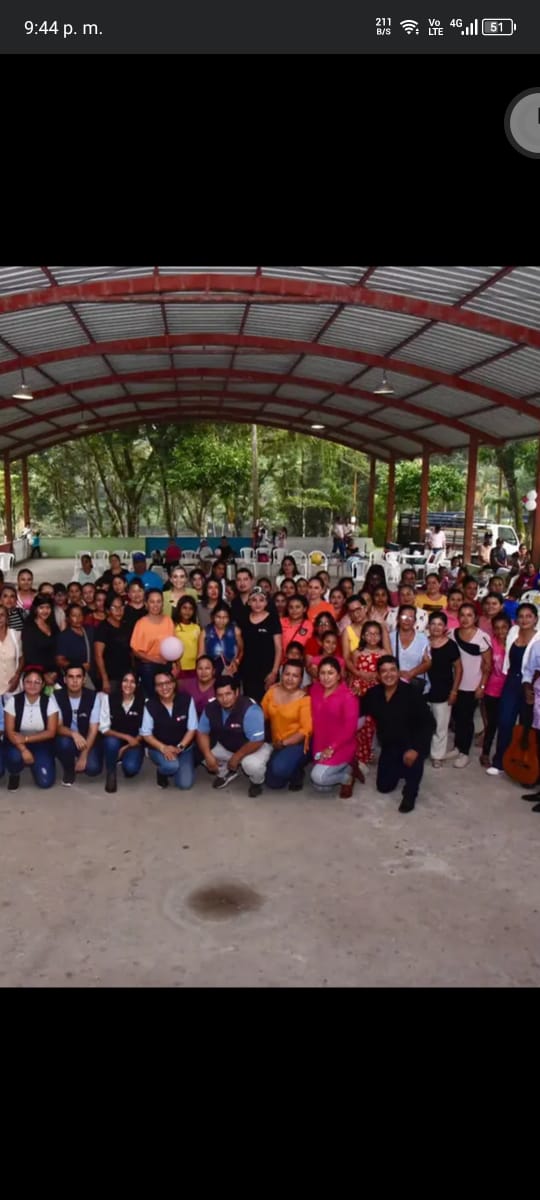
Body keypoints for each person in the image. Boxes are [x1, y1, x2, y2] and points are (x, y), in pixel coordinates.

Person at [362, 656, 435, 813]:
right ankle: (401, 767)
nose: (388, 674)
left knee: (414, 761)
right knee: (383, 787)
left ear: (398, 672)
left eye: (392, 670)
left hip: (412, 743)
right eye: (384, 671)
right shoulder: (373, 694)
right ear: (378, 675)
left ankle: (410, 793)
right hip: (390, 745)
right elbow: (357, 709)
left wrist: (416, 749)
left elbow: (428, 723)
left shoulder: (412, 693)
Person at [486, 602, 540, 776]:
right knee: (505, 721)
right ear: (516, 619)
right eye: (521, 616)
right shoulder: (513, 632)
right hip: (511, 681)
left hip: (530, 685)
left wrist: (531, 687)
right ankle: (500, 762)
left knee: (526, 726)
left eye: (529, 616)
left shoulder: (539, 638)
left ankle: (524, 763)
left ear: (536, 619)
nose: (524, 620)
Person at [197, 674, 272, 797]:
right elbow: (202, 732)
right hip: (230, 745)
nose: (224, 699)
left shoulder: (250, 709)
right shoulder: (211, 707)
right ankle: (226, 772)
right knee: (199, 749)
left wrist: (237, 757)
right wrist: (207, 754)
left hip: (256, 746)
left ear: (236, 692)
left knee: (251, 765)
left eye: (228, 694)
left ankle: (257, 782)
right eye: (220, 695)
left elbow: (257, 741)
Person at [447, 604, 492, 769]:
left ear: (475, 618)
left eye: (469, 615)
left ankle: (464, 753)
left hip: (472, 685)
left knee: (466, 719)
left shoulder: (482, 637)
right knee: (457, 718)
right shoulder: (452, 634)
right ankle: (457, 747)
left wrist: (482, 686)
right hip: (455, 684)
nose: (465, 619)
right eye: (462, 615)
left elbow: (487, 665)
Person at [310, 656, 360, 798]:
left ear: (338, 676)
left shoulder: (348, 696)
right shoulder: (315, 689)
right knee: (320, 787)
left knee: (319, 777)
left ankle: (347, 777)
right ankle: (347, 769)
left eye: (330, 673)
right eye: (322, 673)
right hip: (320, 744)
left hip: (340, 746)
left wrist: (332, 747)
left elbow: (350, 729)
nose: (326, 677)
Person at [141, 669, 197, 790]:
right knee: (171, 766)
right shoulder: (150, 705)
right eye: (159, 684)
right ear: (155, 688)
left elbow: (192, 728)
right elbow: (146, 734)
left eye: (167, 683)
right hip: (159, 748)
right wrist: (164, 748)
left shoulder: (187, 700)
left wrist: (180, 747)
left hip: (184, 748)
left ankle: (179, 766)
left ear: (174, 684)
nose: (164, 687)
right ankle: (162, 772)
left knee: (185, 784)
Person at [4, 669, 59, 790]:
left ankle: (41, 762)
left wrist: (26, 739)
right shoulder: (13, 701)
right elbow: (9, 731)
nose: (32, 685)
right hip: (16, 742)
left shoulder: (49, 701)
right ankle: (14, 773)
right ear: (23, 683)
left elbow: (51, 732)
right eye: (28, 682)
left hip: (41, 742)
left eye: (37, 682)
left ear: (43, 684)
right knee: (15, 757)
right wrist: (23, 749)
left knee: (45, 782)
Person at [261, 661, 312, 791]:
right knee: (273, 783)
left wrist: (283, 743)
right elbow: (261, 715)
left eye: (295, 676)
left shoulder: (305, 699)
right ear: (281, 675)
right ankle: (287, 766)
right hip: (276, 743)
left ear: (301, 679)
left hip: (297, 744)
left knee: (279, 769)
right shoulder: (272, 692)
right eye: (287, 674)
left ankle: (297, 773)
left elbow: (305, 731)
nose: (290, 679)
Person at [55, 665, 103, 785]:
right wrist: (73, 734)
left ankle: (80, 755)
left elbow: (93, 729)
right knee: (63, 743)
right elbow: (57, 727)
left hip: (87, 739)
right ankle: (69, 769)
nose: (75, 681)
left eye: (78, 677)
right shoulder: (55, 696)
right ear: (65, 680)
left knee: (93, 769)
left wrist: (84, 755)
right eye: (71, 677)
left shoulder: (93, 697)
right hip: (68, 738)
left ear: (84, 679)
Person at [98, 671, 145, 792]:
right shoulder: (108, 699)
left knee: (130, 769)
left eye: (132, 682)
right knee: (111, 742)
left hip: (134, 742)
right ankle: (111, 773)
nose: (128, 685)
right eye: (125, 681)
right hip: (114, 739)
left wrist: (124, 748)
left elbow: (145, 731)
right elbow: (104, 728)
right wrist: (126, 737)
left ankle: (123, 756)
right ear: (120, 683)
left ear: (137, 685)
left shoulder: (143, 702)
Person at [426, 611, 462, 767]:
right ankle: (421, 751)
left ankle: (437, 756)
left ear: (445, 627)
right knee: (422, 724)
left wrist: (454, 691)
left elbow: (459, 669)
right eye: (433, 624)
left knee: (440, 726)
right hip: (423, 690)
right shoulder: (422, 642)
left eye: (440, 624)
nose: (436, 627)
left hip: (443, 690)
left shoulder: (451, 645)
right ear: (428, 626)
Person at [350, 621, 386, 768]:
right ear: (363, 636)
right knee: (363, 725)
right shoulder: (357, 653)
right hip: (362, 692)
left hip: (378, 691)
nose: (373, 637)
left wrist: (376, 676)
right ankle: (362, 754)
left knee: (376, 724)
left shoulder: (383, 653)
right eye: (369, 634)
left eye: (376, 634)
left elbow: (387, 674)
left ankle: (373, 752)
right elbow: (354, 674)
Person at [130, 588, 176, 697]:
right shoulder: (141, 623)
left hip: (166, 664)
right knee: (152, 698)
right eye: (152, 602)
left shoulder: (168, 621)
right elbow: (135, 650)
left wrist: (176, 664)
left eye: (158, 601)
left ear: (162, 603)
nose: (155, 605)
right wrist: (155, 660)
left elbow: (174, 645)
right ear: (146, 604)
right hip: (148, 666)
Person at [240, 586, 282, 703]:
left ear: (266, 602)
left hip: (268, 671)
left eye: (261, 600)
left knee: (269, 705)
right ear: (249, 602)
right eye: (254, 600)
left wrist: (274, 672)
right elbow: (240, 646)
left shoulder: (273, 619)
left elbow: (278, 648)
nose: (257, 603)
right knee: (251, 704)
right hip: (249, 671)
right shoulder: (244, 620)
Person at [480, 613, 511, 768]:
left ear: (509, 628)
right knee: (492, 723)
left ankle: (504, 754)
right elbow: (485, 667)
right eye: (497, 628)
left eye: (504, 627)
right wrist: (482, 686)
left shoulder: (514, 644)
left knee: (506, 724)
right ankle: (485, 753)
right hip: (492, 689)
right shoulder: (490, 644)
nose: (500, 631)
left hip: (510, 690)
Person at [94, 594, 134, 694]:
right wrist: (105, 679)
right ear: (107, 610)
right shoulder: (103, 628)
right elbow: (98, 655)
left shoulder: (126, 625)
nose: (118, 611)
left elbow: (130, 651)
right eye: (114, 608)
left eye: (121, 607)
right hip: (110, 677)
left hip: (126, 674)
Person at [390, 606, 431, 692]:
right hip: (393, 686)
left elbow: (427, 662)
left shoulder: (422, 638)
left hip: (416, 686)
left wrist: (410, 673)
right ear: (398, 618)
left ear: (415, 620)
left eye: (411, 617)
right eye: (404, 616)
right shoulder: (390, 637)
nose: (407, 620)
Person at [198, 601, 242, 678]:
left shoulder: (235, 631)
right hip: (211, 672)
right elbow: (200, 654)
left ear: (229, 618)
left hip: (231, 670)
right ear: (213, 616)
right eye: (218, 617)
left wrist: (236, 662)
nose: (221, 620)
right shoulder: (205, 632)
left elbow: (241, 650)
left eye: (225, 617)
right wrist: (203, 671)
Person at [21, 595, 58, 687]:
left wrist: (55, 672)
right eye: (41, 607)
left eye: (48, 607)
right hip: (35, 675)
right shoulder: (29, 627)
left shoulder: (53, 625)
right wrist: (44, 675)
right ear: (35, 609)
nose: (45, 611)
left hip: (54, 673)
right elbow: (29, 655)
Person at [55, 603, 94, 679]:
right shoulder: (64, 636)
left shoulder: (89, 631)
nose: (78, 618)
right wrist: (79, 666)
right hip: (75, 677)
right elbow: (59, 661)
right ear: (68, 618)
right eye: (74, 615)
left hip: (92, 676)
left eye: (80, 615)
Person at [172, 596, 202, 680]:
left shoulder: (197, 628)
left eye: (190, 608)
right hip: (179, 667)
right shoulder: (174, 627)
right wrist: (175, 664)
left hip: (195, 667)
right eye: (184, 608)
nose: (187, 611)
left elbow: (200, 648)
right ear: (179, 609)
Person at [280, 594, 313, 660]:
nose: (294, 610)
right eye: (291, 607)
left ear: (304, 609)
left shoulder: (309, 625)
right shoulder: (280, 622)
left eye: (297, 607)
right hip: (281, 662)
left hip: (300, 662)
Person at [0, 603, 22, 697]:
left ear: (7, 618)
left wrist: (17, 675)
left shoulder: (16, 634)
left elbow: (22, 657)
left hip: (13, 686)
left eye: (2, 615)